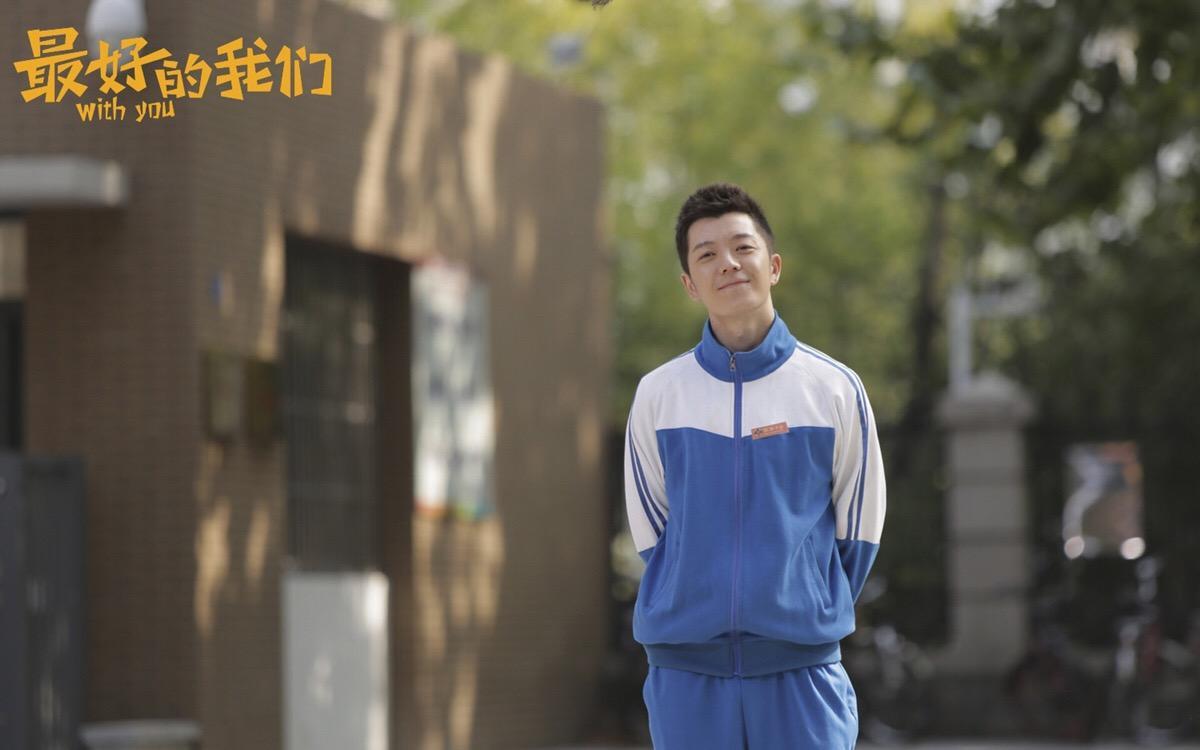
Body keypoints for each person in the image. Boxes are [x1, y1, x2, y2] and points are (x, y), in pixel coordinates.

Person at [623, 182, 886, 749]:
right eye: (707, 254)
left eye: (743, 247)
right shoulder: (659, 395)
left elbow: (860, 532)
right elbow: (652, 535)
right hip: (687, 675)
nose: (728, 263)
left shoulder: (834, 388)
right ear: (689, 284)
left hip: (801, 674)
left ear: (774, 266)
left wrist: (800, 602)